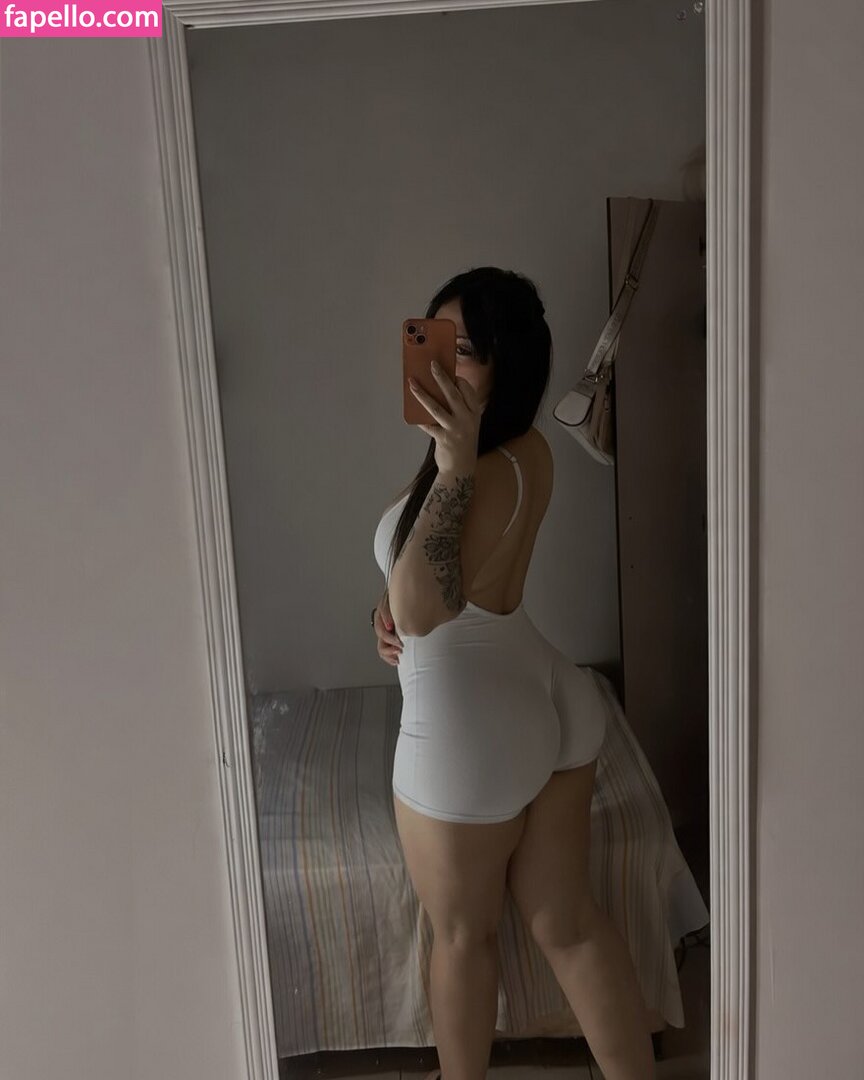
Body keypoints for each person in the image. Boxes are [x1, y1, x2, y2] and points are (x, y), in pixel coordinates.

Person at [371, 268, 656, 1080]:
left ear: (506, 365)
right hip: (549, 697)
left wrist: (454, 465)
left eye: (463, 350)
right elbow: (430, 584)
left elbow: (423, 610)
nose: (439, 362)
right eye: (431, 338)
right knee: (568, 925)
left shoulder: (476, 468)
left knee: (464, 937)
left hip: (470, 736)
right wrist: (381, 609)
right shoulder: (526, 451)